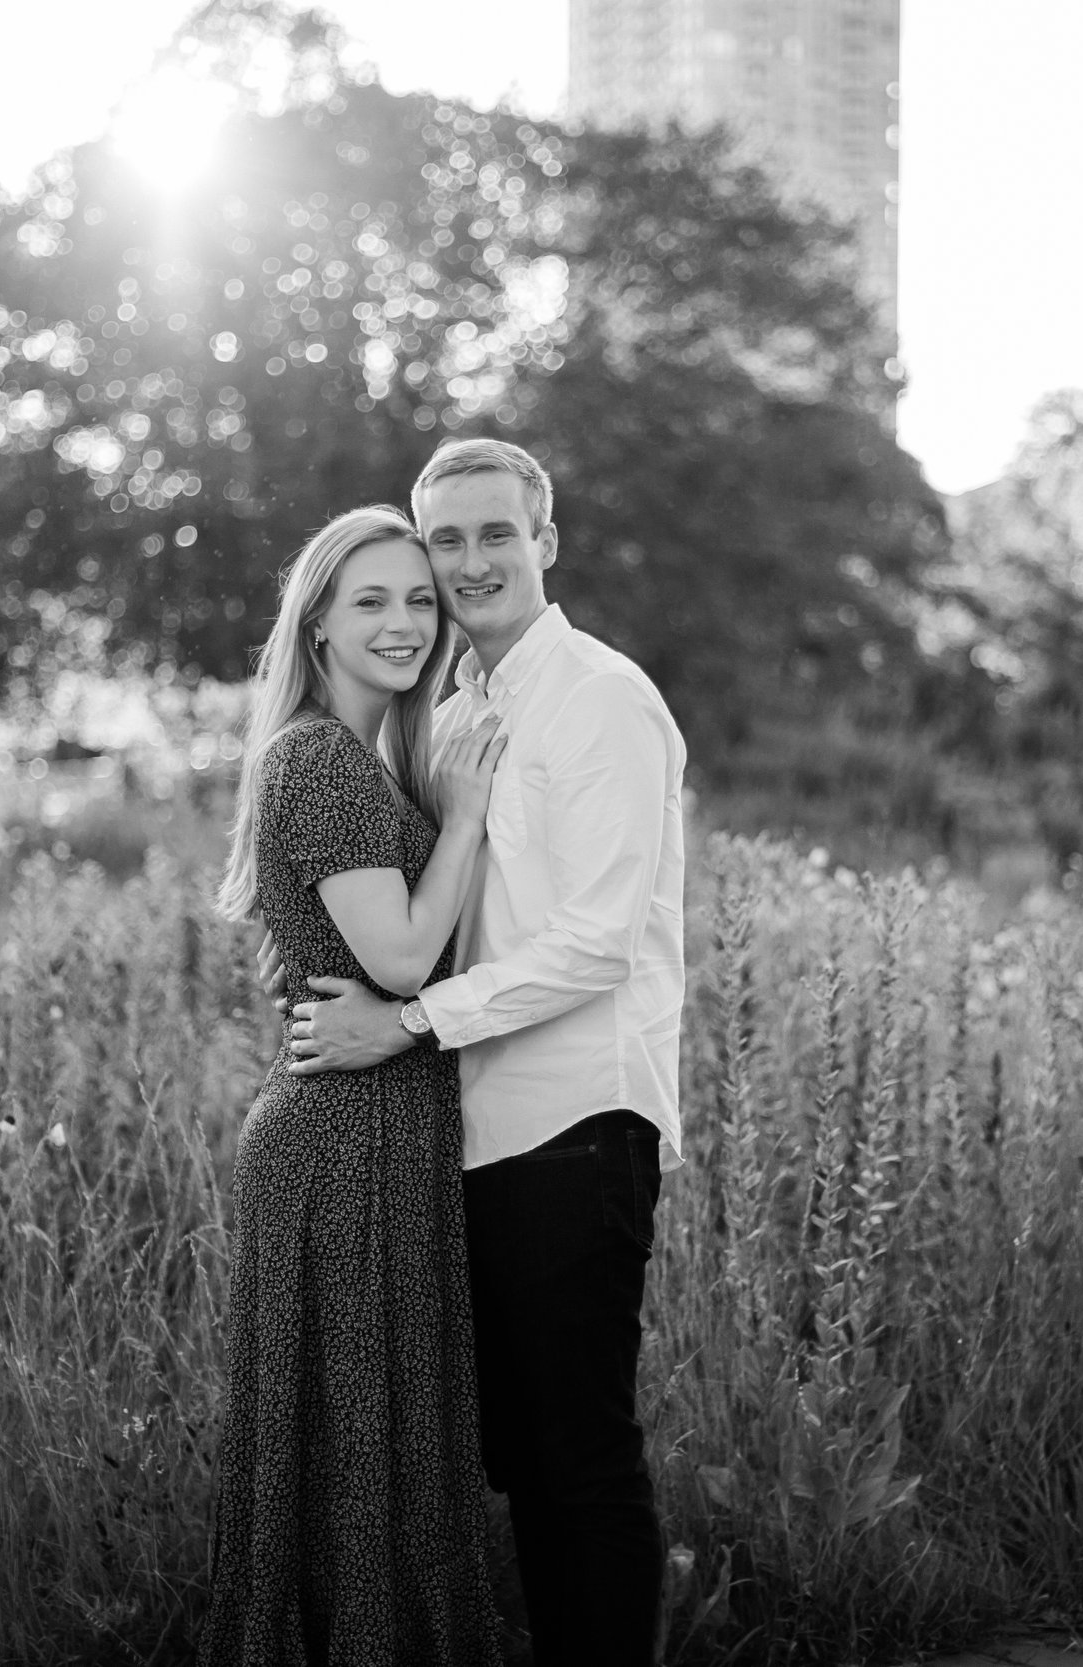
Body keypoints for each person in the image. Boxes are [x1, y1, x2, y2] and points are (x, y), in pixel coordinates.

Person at [285, 439, 689, 1667]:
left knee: (579, 1457)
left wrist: (402, 1024)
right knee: (519, 1461)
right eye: (444, 540)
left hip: (576, 1123)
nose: (468, 563)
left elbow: (596, 944)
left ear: (543, 543)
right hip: (476, 1131)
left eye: (493, 534)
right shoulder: (456, 713)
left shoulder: (599, 695)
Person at [202, 504, 511, 1667]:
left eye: (418, 598)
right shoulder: (323, 762)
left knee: (368, 1447)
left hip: (375, 1125)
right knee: (354, 1451)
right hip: (342, 1139)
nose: (402, 620)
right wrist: (471, 817)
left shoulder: (364, 753)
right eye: (370, 599)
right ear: (318, 623)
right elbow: (395, 959)